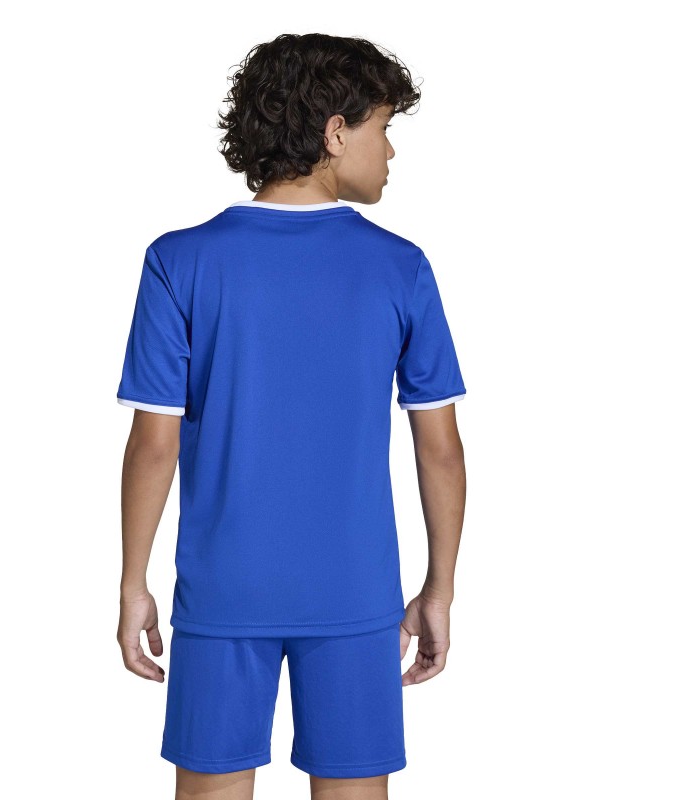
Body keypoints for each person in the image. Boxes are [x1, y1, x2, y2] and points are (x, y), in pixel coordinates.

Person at [115, 33, 467, 800]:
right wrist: (438, 587)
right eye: (383, 129)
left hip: (222, 591)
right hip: (354, 594)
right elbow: (440, 450)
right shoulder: (401, 268)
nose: (390, 152)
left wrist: (133, 581)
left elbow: (153, 445)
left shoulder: (179, 261)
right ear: (335, 132)